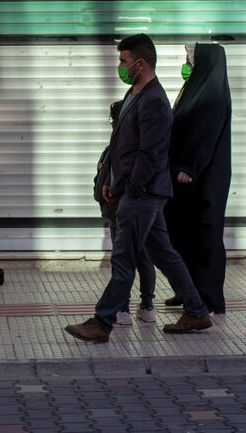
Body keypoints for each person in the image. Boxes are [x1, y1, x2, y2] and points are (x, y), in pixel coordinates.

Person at [65, 34, 211, 343]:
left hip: (142, 193)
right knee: (164, 254)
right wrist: (109, 181)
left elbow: (150, 153)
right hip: (136, 190)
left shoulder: (155, 101)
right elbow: (120, 145)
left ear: (140, 63)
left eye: (123, 61)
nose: (120, 67)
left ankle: (102, 322)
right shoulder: (134, 93)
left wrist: (129, 188)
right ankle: (196, 311)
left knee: (124, 259)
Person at [163, 43, 232, 315]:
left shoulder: (214, 97)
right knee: (182, 233)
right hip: (183, 179)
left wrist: (190, 168)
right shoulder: (194, 91)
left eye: (190, 60)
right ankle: (188, 290)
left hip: (203, 180)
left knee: (206, 236)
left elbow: (206, 136)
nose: (187, 65)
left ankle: (211, 297)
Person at [94, 100, 156, 325]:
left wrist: (103, 196)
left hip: (119, 211)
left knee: (123, 259)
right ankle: (148, 305)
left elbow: (103, 182)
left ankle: (123, 309)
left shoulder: (117, 148)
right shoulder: (140, 145)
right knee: (144, 258)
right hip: (142, 210)